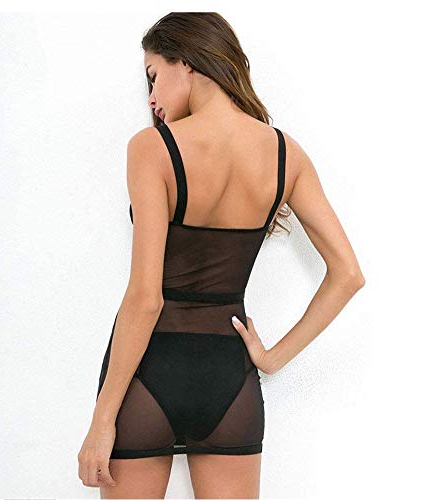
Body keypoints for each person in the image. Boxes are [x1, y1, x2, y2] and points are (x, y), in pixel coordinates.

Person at [78, 12, 365, 499]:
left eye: (153, 76)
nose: (151, 98)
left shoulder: (152, 149)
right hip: (230, 382)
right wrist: (271, 359)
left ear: (186, 62)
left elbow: (146, 299)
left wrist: (102, 420)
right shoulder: (286, 154)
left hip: (146, 376)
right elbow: (348, 274)